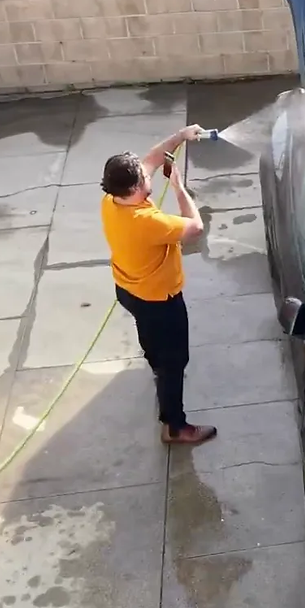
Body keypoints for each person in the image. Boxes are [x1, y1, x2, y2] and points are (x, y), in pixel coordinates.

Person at [100, 124, 217, 445]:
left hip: (128, 289)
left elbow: (151, 159)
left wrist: (181, 136)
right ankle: (175, 427)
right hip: (159, 301)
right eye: (145, 177)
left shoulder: (112, 201)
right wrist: (179, 189)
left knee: (151, 341)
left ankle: (155, 363)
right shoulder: (146, 222)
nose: (149, 174)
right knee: (175, 361)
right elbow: (194, 228)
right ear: (137, 187)